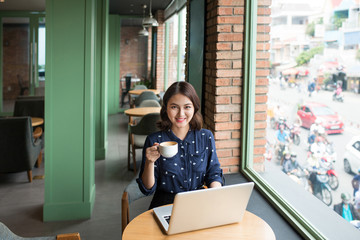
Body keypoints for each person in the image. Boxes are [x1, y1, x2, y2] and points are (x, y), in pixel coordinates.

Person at [137, 81, 223, 209]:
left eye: (187, 107)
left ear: (195, 108)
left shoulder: (206, 137)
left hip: (198, 203)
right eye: (174, 107)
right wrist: (149, 163)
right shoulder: (154, 140)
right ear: (166, 108)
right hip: (164, 205)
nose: (181, 114)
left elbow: (214, 173)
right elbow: (147, 189)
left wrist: (214, 195)